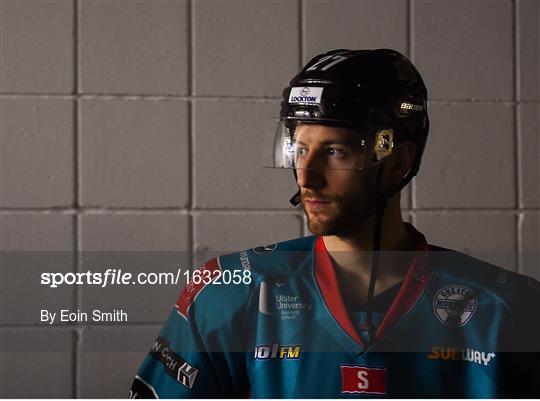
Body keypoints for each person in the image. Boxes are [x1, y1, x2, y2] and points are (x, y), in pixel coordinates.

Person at [130, 49, 539, 398]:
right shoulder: (228, 291)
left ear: (396, 161)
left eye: (336, 151)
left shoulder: (511, 309)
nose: (307, 175)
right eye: (301, 149)